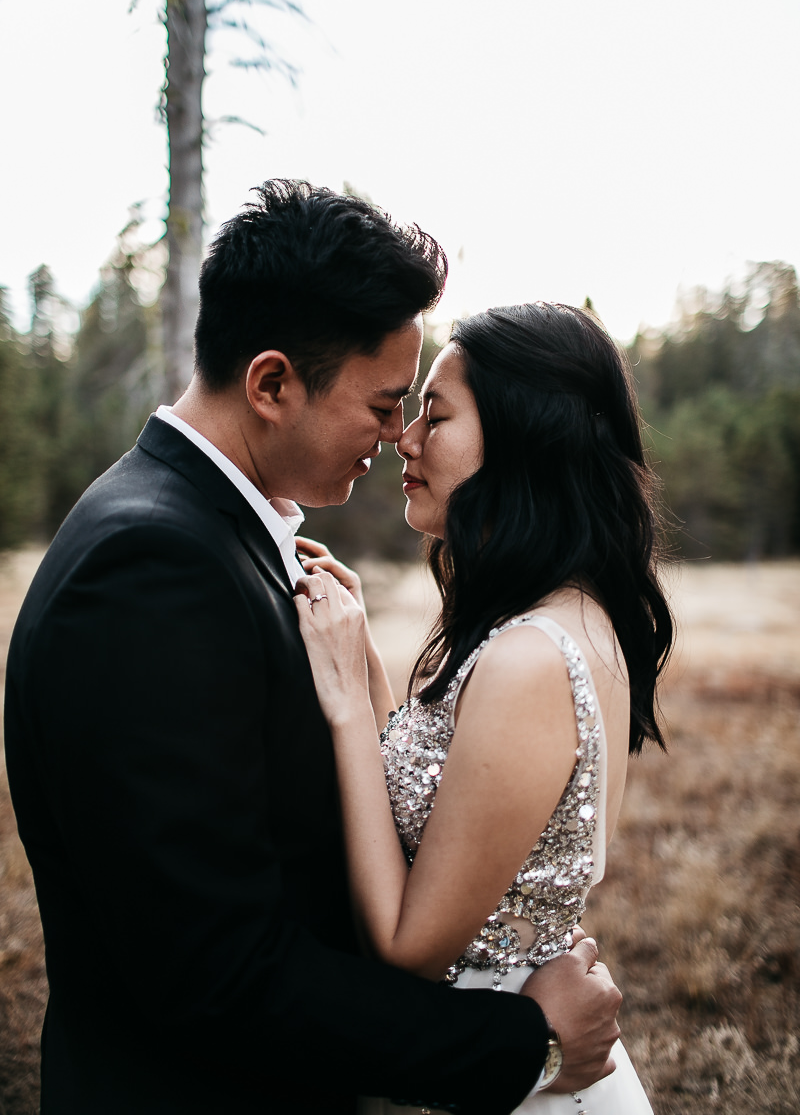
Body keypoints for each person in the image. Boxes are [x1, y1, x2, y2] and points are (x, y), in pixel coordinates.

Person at [4, 186, 621, 1115]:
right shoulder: (150, 569)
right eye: (380, 405)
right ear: (272, 384)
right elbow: (215, 971)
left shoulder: (222, 539)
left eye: (415, 410)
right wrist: (520, 1045)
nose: (394, 436)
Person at [295, 301, 674, 1113]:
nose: (406, 437)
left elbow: (407, 950)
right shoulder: (555, 617)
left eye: (436, 414)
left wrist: (344, 709)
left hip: (513, 1074)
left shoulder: (529, 659)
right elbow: (434, 790)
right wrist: (359, 653)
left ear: (522, 438)